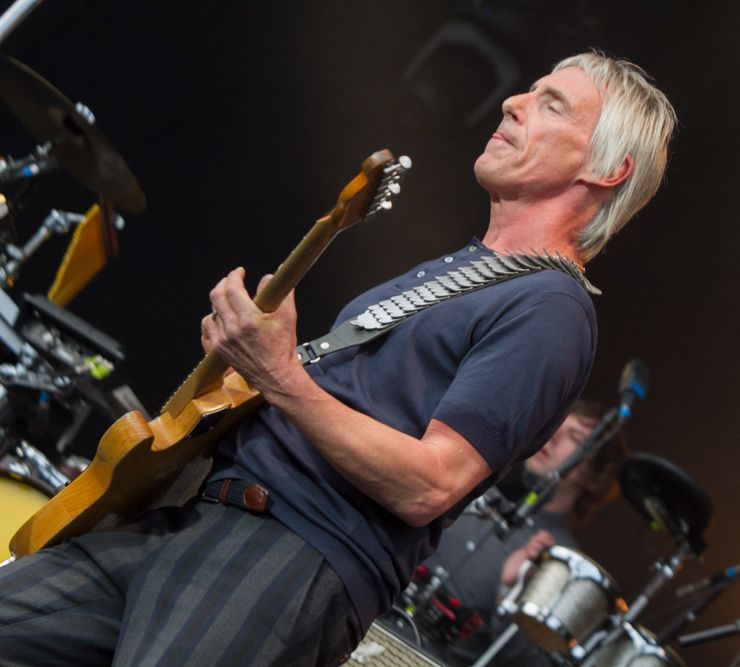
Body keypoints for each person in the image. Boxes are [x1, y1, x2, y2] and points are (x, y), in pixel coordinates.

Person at [0, 51, 676, 666]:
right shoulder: (472, 270)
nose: (513, 103)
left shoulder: (552, 310)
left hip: (279, 559)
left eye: (551, 103)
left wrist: (283, 376)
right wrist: (250, 369)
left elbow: (431, 484)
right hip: (188, 515)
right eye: (528, 90)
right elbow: (332, 395)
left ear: (604, 169)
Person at [416, 400, 627, 667]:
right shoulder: (478, 482)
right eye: (557, 424)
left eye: (575, 437)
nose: (553, 436)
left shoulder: (563, 563)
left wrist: (510, 593)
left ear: (594, 478)